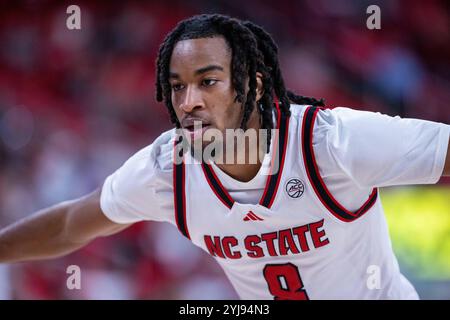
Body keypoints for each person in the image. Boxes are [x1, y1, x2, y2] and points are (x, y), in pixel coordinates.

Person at [0, 14, 449, 300]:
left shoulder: (333, 143)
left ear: (253, 85)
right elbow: (69, 223)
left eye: (208, 81)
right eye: (177, 86)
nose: (188, 100)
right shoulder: (167, 171)